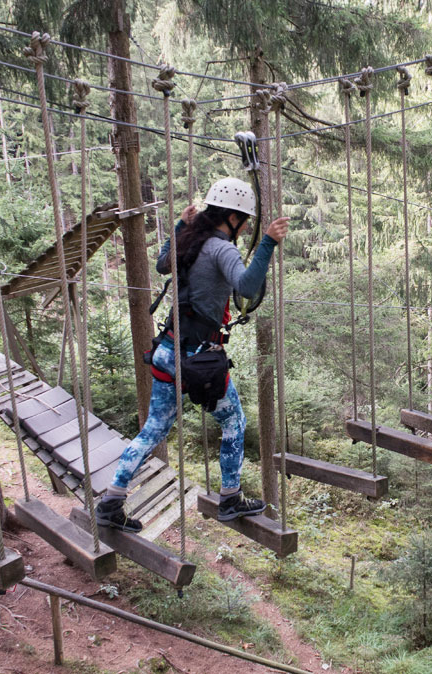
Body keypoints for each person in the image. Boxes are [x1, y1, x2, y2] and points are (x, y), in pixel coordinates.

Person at [95, 177, 290, 532]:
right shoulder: (222, 250)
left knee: (153, 430)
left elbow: (162, 265)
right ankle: (230, 498)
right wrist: (269, 244)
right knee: (234, 422)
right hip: (200, 362)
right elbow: (246, 287)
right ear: (232, 218)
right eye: (244, 222)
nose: (245, 229)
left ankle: (111, 500)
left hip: (168, 352)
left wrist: (178, 226)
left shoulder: (189, 239)